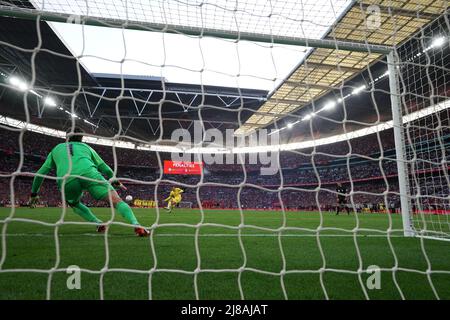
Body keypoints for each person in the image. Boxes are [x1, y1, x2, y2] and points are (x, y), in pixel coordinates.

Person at [28, 127, 150, 237]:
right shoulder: (86, 147)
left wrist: (34, 193)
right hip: (90, 174)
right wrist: (115, 180)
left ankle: (98, 223)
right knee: (116, 201)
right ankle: (136, 224)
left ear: (66, 137)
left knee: (74, 203)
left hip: (66, 179)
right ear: (82, 138)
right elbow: (104, 167)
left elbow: (40, 174)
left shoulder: (56, 149)